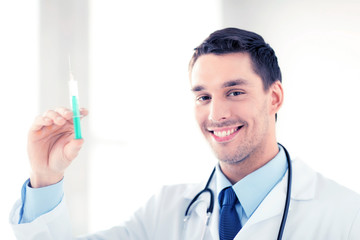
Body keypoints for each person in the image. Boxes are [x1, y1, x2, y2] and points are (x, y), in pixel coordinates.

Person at [10, 28, 360, 240]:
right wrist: (46, 176)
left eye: (234, 92)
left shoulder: (345, 215)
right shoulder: (165, 212)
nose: (215, 114)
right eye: (203, 96)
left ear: (275, 97)